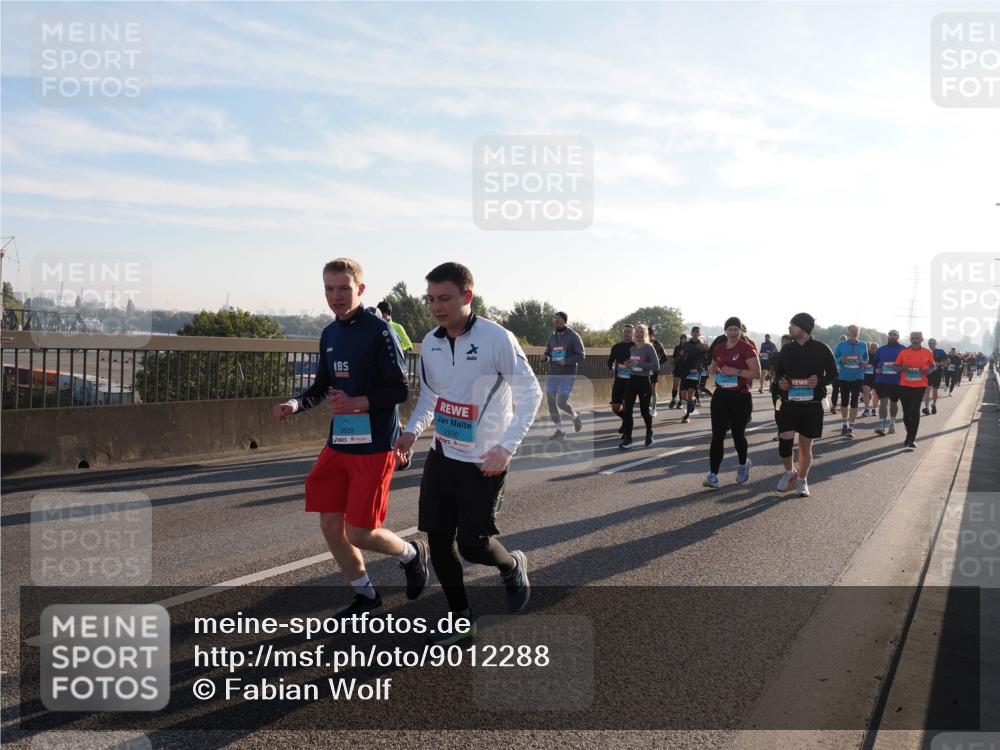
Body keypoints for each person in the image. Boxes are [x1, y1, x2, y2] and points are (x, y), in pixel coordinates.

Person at [394, 262, 542, 639]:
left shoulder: (497, 338)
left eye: (444, 298)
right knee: (439, 540)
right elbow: (431, 396)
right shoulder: (431, 342)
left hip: (484, 460)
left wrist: (506, 448)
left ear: (467, 296)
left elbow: (531, 395)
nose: (436, 306)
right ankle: (462, 619)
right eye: (430, 299)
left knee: (473, 546)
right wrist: (411, 433)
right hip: (443, 455)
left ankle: (511, 565)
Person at [273, 258, 428, 618]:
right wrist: (294, 404)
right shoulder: (329, 333)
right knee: (330, 524)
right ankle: (366, 595)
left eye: (344, 288)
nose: (336, 296)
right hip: (340, 443)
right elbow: (322, 386)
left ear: (360, 289)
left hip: (375, 445)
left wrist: (358, 402)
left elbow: (399, 390)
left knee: (359, 532)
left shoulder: (380, 330)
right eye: (329, 289)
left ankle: (411, 553)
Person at [773, 312, 838, 498]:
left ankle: (802, 480)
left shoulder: (821, 348)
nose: (789, 328)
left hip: (812, 404)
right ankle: (789, 472)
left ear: (804, 328)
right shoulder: (787, 350)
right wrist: (782, 381)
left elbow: (833, 373)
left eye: (793, 325)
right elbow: (779, 373)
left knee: (804, 447)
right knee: (785, 442)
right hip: (789, 403)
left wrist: (820, 381)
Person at [702, 316, 761, 488]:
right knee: (717, 435)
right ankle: (713, 475)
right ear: (725, 331)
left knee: (737, 434)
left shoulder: (747, 348)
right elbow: (712, 368)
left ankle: (743, 464)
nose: (733, 332)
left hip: (740, 397)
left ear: (741, 331)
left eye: (736, 329)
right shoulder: (719, 348)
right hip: (721, 395)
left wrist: (736, 371)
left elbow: (756, 373)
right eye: (730, 329)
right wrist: (712, 369)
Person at [542, 311, 585, 439]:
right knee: (551, 401)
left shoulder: (573, 336)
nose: (555, 320)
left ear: (564, 321)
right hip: (553, 373)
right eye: (554, 318)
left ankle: (575, 417)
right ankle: (560, 430)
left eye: (558, 318)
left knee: (561, 402)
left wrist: (566, 361)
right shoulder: (552, 336)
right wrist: (545, 357)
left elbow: (581, 355)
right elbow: (548, 352)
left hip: (567, 374)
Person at [619, 324, 659, 449]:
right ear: (634, 334)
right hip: (632, 380)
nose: (639, 334)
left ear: (645, 334)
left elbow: (656, 366)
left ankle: (649, 432)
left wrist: (640, 363)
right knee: (627, 410)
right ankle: (628, 438)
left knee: (644, 411)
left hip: (644, 381)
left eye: (641, 332)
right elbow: (633, 365)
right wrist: (628, 365)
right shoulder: (633, 348)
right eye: (637, 332)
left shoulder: (649, 348)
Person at [894, 331, 935, 450]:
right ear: (910, 339)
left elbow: (933, 365)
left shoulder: (927, 352)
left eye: (917, 338)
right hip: (904, 385)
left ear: (922, 339)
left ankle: (912, 438)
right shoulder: (903, 352)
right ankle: (909, 431)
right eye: (913, 338)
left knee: (915, 410)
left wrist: (928, 370)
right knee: (906, 412)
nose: (915, 339)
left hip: (919, 386)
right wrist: (903, 368)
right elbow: (895, 367)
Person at [833, 325, 868, 439]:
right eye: (852, 331)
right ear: (848, 333)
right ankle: (844, 424)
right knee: (844, 401)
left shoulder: (863, 344)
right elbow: (834, 358)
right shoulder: (841, 345)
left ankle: (850, 428)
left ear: (859, 332)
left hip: (858, 376)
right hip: (844, 377)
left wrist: (864, 363)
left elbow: (866, 357)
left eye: (856, 331)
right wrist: (840, 359)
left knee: (854, 401)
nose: (854, 333)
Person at [873, 330, 906, 436]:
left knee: (893, 403)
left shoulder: (903, 349)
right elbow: (875, 362)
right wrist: (876, 368)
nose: (892, 337)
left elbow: (906, 364)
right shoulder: (881, 349)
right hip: (882, 380)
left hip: (897, 381)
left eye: (894, 335)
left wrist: (899, 368)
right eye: (890, 335)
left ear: (898, 337)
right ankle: (882, 426)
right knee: (883, 402)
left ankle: (892, 424)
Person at [678, 326, 710, 424]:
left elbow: (707, 360)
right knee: (683, 395)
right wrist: (679, 370)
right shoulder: (685, 344)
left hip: (695, 373)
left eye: (697, 332)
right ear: (691, 333)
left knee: (690, 394)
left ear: (699, 334)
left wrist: (707, 350)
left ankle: (687, 416)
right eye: (694, 332)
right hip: (685, 372)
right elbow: (680, 358)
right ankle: (693, 401)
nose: (696, 334)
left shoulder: (702, 346)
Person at [608, 324, 635, 434]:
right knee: (615, 407)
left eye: (629, 331)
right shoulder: (616, 347)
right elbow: (610, 360)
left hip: (631, 381)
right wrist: (611, 368)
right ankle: (626, 421)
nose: (626, 333)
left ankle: (627, 431)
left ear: (632, 333)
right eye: (625, 331)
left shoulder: (636, 347)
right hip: (619, 380)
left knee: (626, 406)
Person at [647, 325, 669, 417]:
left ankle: (654, 408)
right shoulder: (641, 343)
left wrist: (656, 364)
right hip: (643, 370)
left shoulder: (657, 344)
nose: (647, 336)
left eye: (648, 334)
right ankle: (646, 406)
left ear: (652, 334)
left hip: (654, 370)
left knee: (653, 389)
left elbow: (664, 358)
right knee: (645, 389)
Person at [923, 338, 947, 415]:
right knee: (927, 391)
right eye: (929, 343)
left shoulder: (940, 351)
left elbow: (948, 360)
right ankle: (926, 408)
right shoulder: (925, 352)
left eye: (933, 343)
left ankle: (933, 404)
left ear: (936, 343)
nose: (931, 344)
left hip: (937, 373)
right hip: (928, 374)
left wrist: (940, 364)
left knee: (935, 391)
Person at [669, 333, 688, 409]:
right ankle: (673, 400)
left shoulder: (688, 348)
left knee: (682, 387)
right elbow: (674, 357)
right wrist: (675, 361)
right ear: (680, 339)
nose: (684, 340)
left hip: (684, 369)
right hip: (677, 368)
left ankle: (680, 402)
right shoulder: (677, 348)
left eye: (685, 339)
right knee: (675, 386)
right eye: (683, 339)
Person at [862, 341, 879, 417]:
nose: (872, 349)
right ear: (868, 348)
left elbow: (882, 364)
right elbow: (860, 362)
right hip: (866, 376)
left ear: (877, 349)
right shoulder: (865, 355)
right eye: (871, 347)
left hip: (876, 376)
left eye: (874, 348)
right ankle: (866, 409)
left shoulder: (879, 356)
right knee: (865, 392)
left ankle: (874, 408)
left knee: (876, 394)